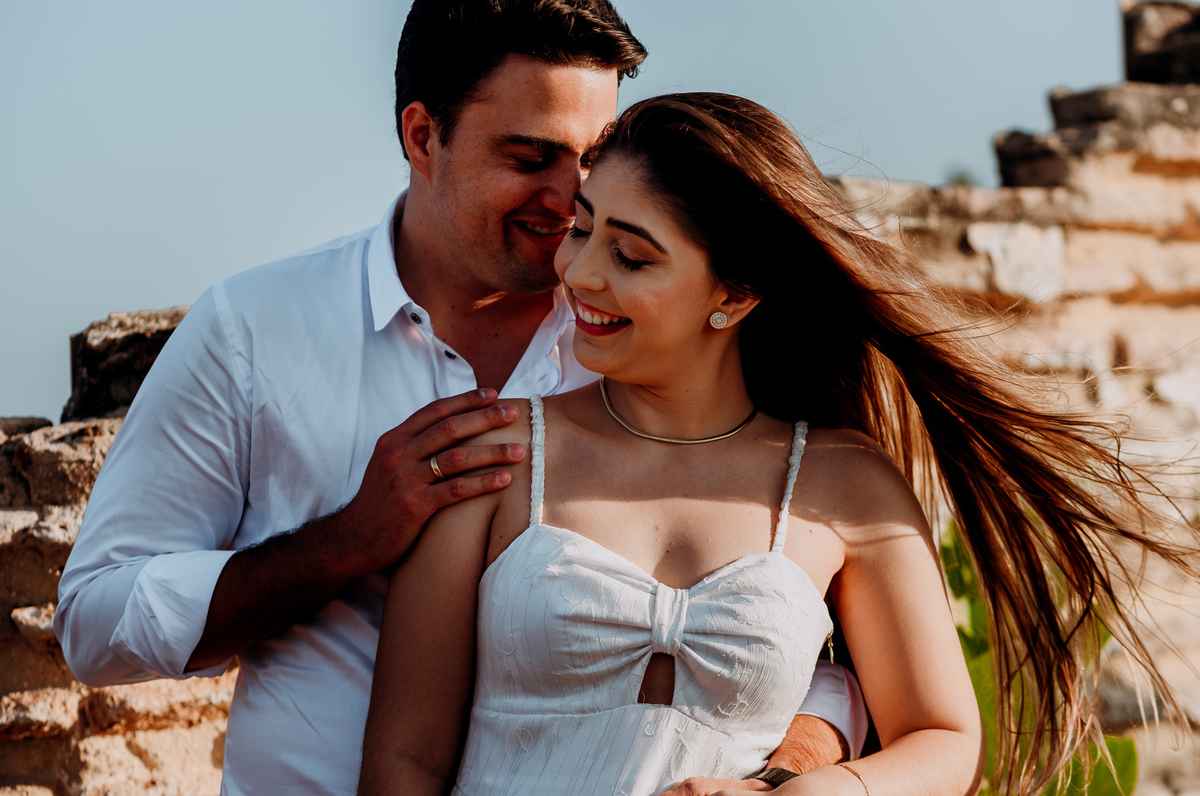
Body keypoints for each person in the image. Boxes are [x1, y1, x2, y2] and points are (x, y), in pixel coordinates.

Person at [54, 0, 861, 795]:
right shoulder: (254, 329)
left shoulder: (654, 335)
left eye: (592, 156)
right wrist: (345, 542)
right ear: (421, 136)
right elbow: (92, 620)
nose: (572, 196)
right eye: (531, 157)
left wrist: (789, 770)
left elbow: (796, 633)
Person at [358, 92, 1200, 796]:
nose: (580, 273)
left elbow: (944, 736)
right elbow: (404, 761)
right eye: (583, 229)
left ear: (735, 293)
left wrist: (811, 792)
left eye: (632, 256)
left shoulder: (845, 482)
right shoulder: (494, 455)